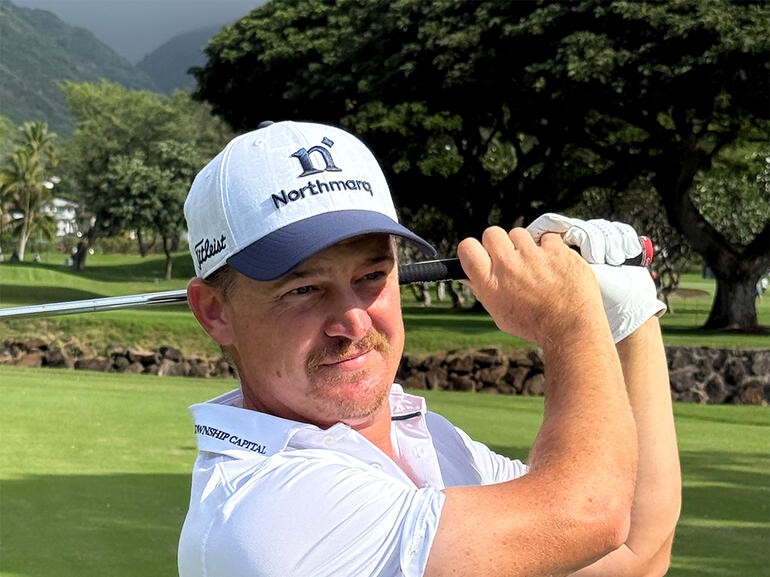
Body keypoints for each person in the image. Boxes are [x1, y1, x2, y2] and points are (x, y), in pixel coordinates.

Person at [178, 121, 681, 577]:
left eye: (372, 276)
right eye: (303, 290)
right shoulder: (265, 512)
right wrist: (571, 321)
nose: (352, 322)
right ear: (214, 312)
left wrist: (631, 316)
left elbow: (634, 552)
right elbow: (589, 516)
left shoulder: (428, 441)